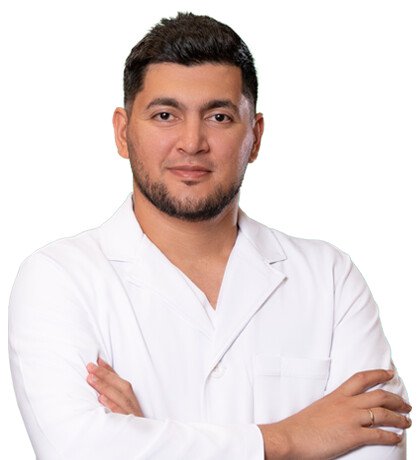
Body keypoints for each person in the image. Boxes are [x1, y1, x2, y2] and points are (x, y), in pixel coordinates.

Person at [8, 12, 411, 460]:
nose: (191, 142)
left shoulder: (330, 279)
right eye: (165, 115)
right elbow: (77, 449)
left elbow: (379, 446)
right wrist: (291, 438)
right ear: (123, 133)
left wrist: (146, 437)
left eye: (219, 116)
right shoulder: (60, 279)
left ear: (255, 137)